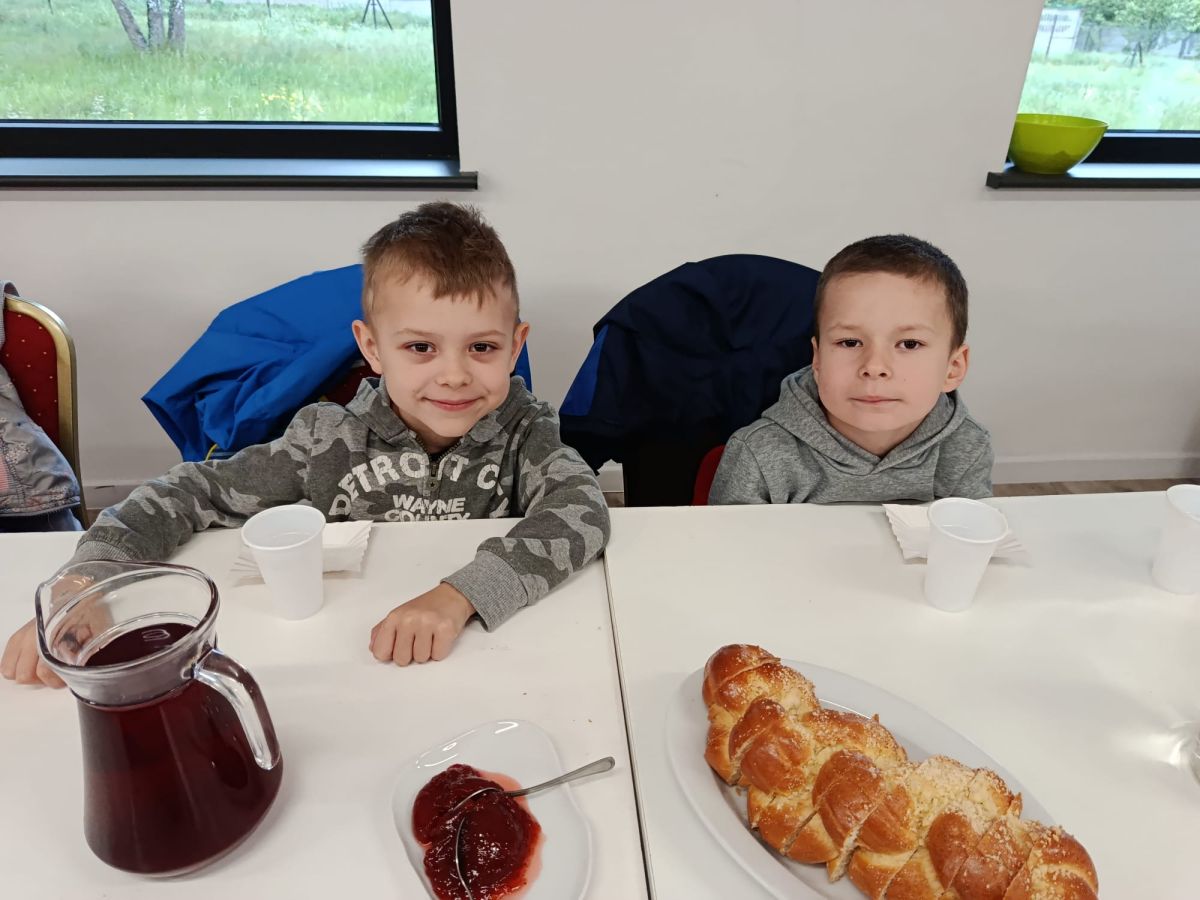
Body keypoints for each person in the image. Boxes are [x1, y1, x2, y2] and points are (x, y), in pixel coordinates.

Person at [1, 202, 610, 686]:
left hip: (489, 663)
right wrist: (87, 582)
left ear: (515, 344)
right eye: (420, 347)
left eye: (482, 347)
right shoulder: (324, 441)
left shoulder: (525, 431)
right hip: (346, 662)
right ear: (371, 347)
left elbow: (581, 512)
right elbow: (185, 492)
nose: (454, 375)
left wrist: (458, 597)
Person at [709, 234, 992, 505]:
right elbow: (729, 538)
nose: (874, 367)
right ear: (818, 359)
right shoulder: (759, 453)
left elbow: (970, 531)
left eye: (909, 344)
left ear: (953, 368)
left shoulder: (968, 446)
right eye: (850, 342)